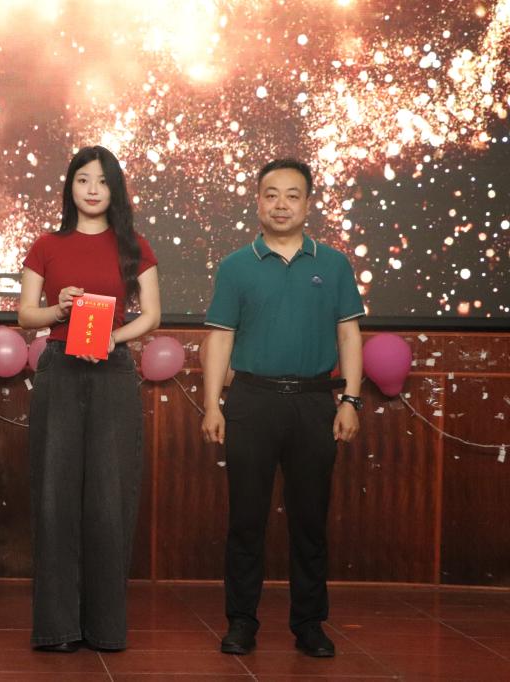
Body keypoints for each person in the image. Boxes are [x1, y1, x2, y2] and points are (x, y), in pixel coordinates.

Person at [201, 158, 365, 658]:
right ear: (257, 202)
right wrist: (212, 405)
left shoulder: (333, 264)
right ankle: (241, 622)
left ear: (308, 204)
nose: (281, 204)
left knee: (310, 520)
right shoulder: (235, 266)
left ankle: (309, 624)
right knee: (246, 519)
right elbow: (220, 339)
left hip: (315, 402)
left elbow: (348, 334)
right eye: (271, 194)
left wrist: (350, 400)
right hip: (251, 402)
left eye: (292, 195)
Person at [18, 145, 161, 652]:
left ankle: (105, 628)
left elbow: (152, 315)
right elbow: (25, 316)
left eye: (102, 180)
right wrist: (58, 309)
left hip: (112, 372)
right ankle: (57, 629)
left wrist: (111, 339)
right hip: (60, 368)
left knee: (109, 497)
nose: (93, 189)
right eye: (83, 179)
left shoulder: (134, 245)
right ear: (70, 187)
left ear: (114, 188)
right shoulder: (46, 245)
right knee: (55, 496)